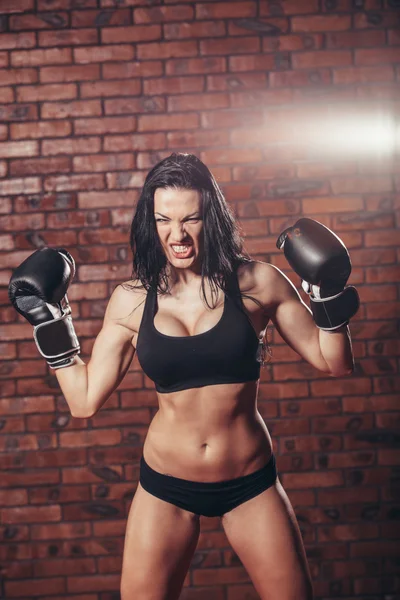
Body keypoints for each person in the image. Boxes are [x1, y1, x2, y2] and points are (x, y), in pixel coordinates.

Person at [8, 153, 359, 600]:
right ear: (149, 223)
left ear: (210, 217)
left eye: (190, 218)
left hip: (249, 484)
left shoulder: (258, 283)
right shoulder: (131, 300)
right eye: (163, 220)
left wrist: (329, 299)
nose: (177, 235)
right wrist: (51, 323)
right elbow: (84, 401)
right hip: (165, 488)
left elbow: (334, 362)